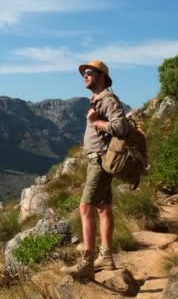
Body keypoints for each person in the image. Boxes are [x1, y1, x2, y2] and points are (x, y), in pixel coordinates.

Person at [61, 59, 128, 281]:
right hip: (99, 160)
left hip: (100, 161)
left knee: (85, 208)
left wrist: (97, 122)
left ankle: (87, 264)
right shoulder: (97, 99)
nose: (85, 76)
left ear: (102, 76)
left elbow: (121, 127)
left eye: (89, 72)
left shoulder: (107, 100)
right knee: (104, 208)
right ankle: (106, 256)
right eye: (84, 73)